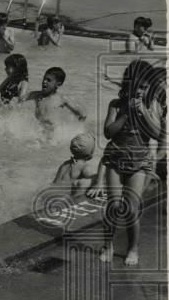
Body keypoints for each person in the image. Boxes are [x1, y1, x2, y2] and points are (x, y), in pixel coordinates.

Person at [87, 60, 161, 266]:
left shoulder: (150, 106)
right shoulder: (116, 105)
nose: (141, 91)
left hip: (139, 165)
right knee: (113, 205)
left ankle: (133, 247)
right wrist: (125, 114)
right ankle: (107, 245)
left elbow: (156, 134)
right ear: (128, 85)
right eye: (138, 86)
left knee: (131, 209)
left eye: (146, 87)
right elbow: (108, 132)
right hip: (115, 161)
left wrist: (142, 113)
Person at [25, 66, 87, 134]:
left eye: (49, 80)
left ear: (58, 84)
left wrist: (78, 128)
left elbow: (82, 113)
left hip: (53, 134)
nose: (44, 82)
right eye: (44, 79)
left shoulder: (61, 99)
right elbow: (20, 100)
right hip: (39, 132)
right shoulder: (36, 95)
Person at [52, 132, 100, 198]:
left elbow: (55, 181)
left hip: (52, 192)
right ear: (90, 152)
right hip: (63, 196)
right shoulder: (84, 166)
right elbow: (92, 179)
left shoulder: (65, 164)